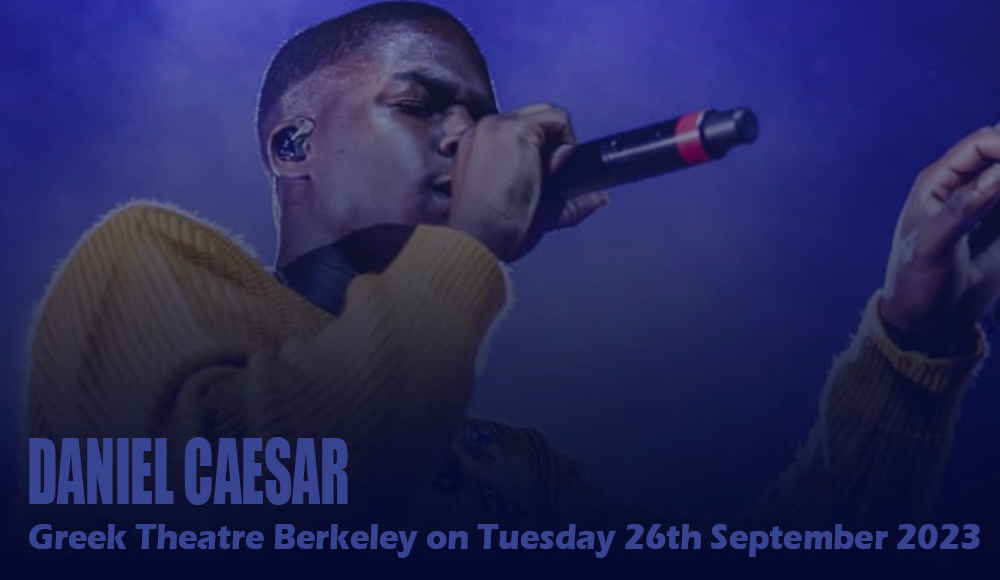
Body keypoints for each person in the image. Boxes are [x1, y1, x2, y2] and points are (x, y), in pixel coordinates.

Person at [21, 1, 1000, 533]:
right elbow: (282, 492)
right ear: (291, 147)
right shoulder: (150, 263)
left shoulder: (504, 469)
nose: (467, 137)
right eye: (420, 104)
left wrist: (912, 341)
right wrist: (465, 247)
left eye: (479, 117)